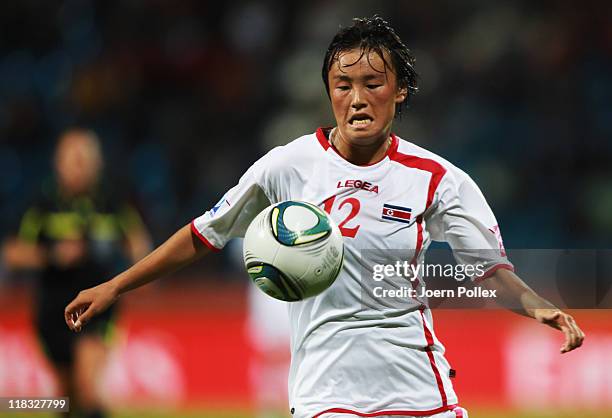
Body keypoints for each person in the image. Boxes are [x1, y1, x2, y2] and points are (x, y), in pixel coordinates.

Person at [64, 16, 584, 418]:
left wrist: (539, 307)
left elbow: (487, 271)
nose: (357, 98)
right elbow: (205, 233)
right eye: (342, 84)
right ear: (329, 93)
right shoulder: (287, 166)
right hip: (325, 391)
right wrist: (116, 285)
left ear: (400, 91)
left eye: (374, 83)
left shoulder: (438, 178)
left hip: (421, 387)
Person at [3, 129, 152, 418]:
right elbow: (12, 252)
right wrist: (52, 255)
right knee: (65, 397)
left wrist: (141, 275)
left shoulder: (113, 203)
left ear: (98, 164)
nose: (79, 166)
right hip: (52, 308)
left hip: (97, 307)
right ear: (58, 163)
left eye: (85, 159)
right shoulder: (42, 204)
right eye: (73, 159)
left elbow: (139, 243)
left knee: (88, 388)